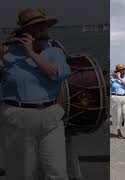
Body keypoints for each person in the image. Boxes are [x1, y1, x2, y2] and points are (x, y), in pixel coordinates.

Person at [0, 6, 70, 180]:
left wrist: (31, 53)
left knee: (58, 173)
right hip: (18, 117)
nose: (43, 29)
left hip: (51, 116)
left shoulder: (54, 52)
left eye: (44, 26)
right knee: (23, 173)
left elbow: (56, 74)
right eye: (37, 27)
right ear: (25, 32)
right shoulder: (8, 55)